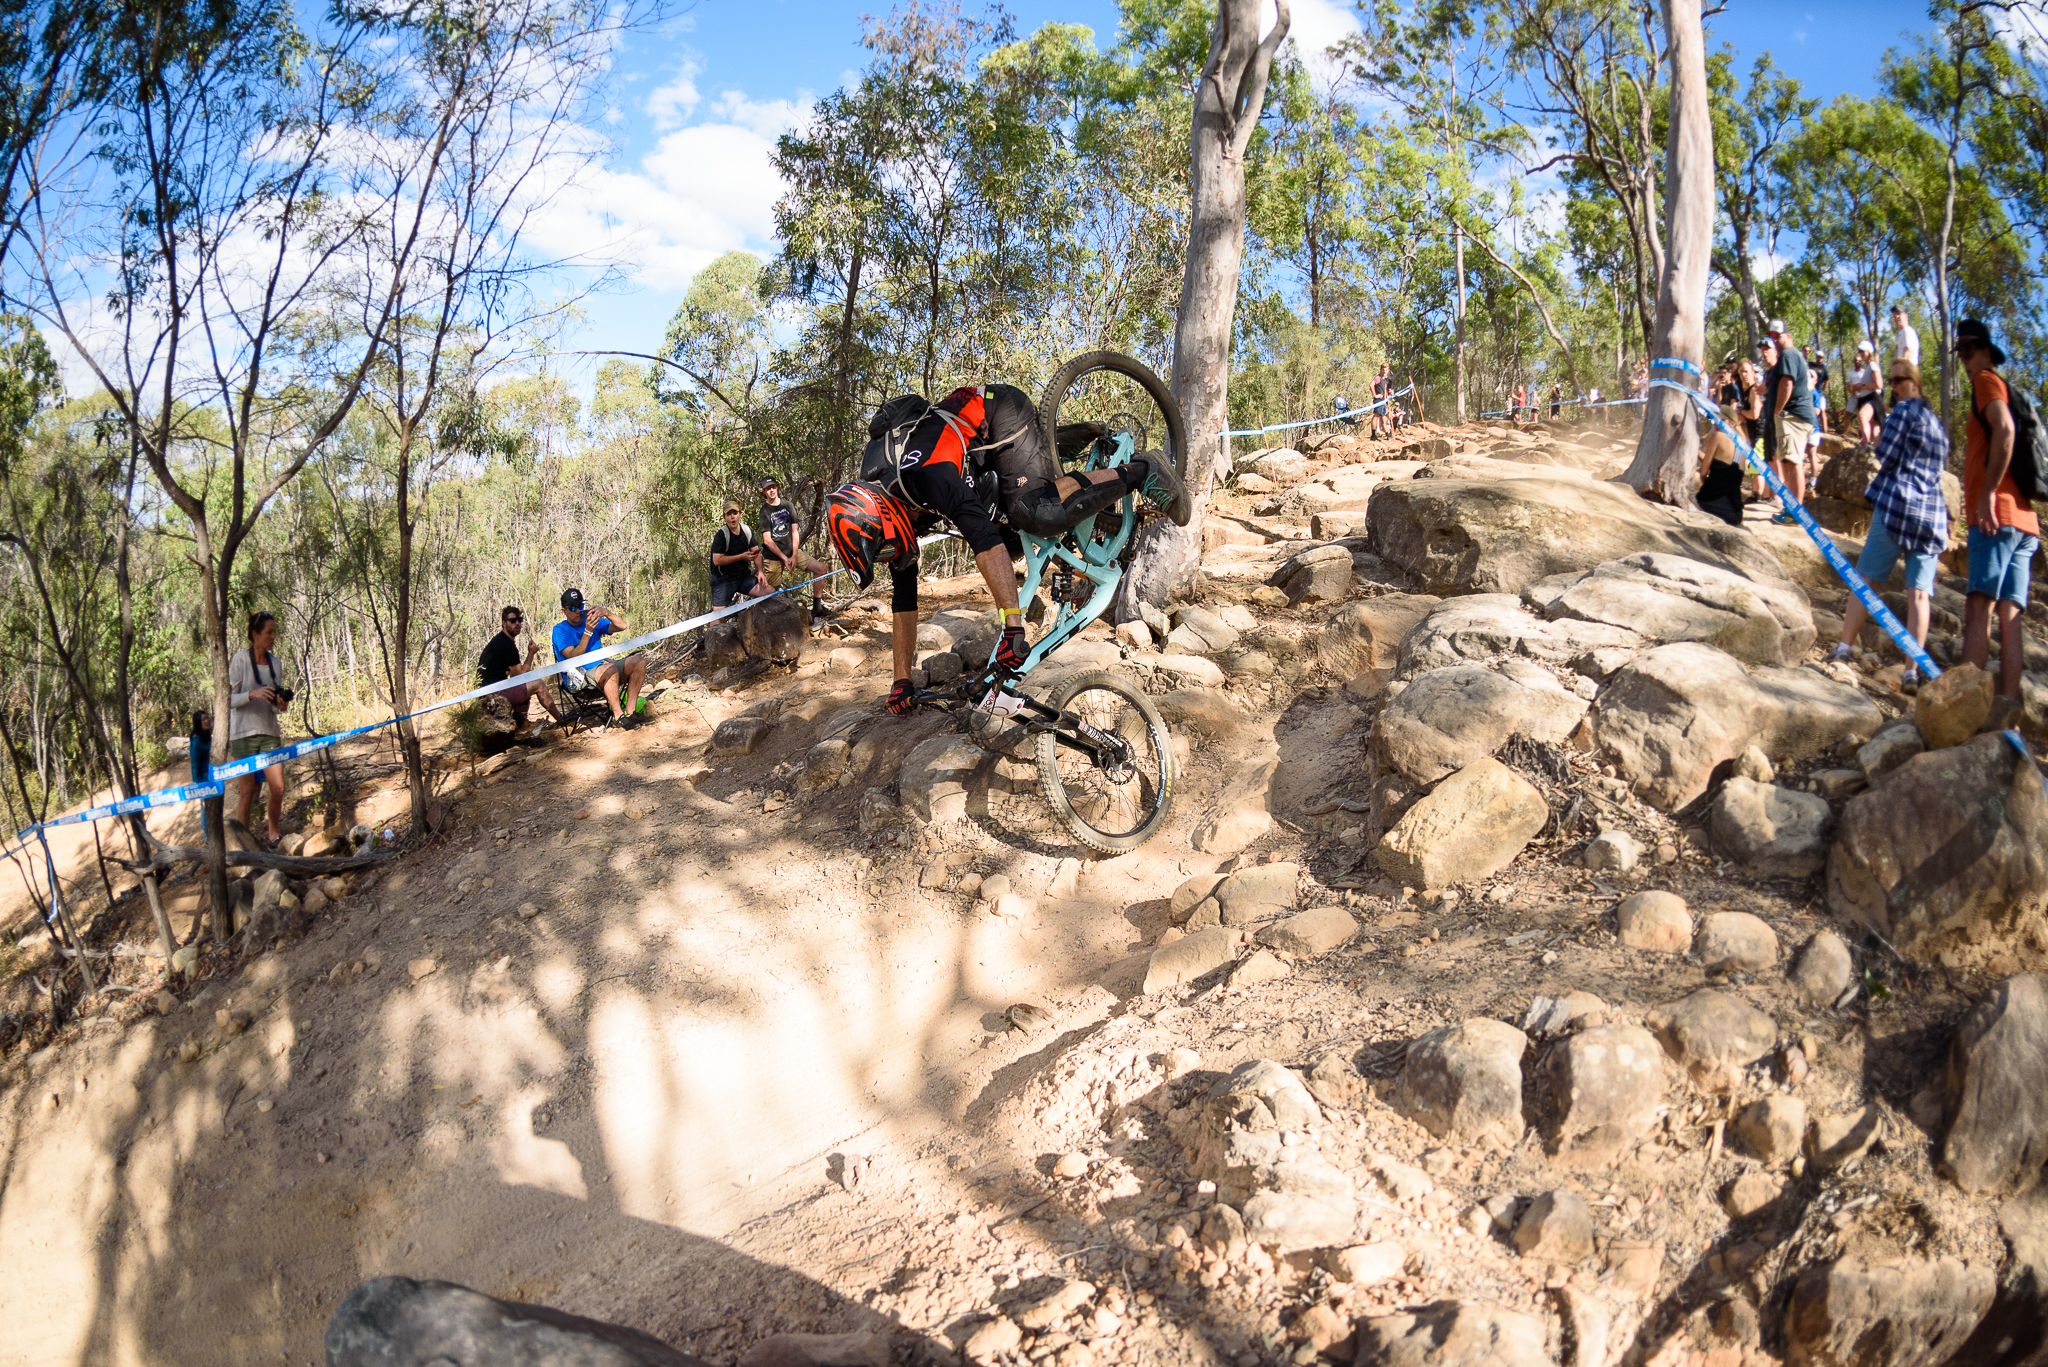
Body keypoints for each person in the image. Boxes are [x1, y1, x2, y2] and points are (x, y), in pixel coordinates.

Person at [825, 382, 1189, 715]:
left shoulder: (927, 475)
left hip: (998, 411)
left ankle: (1143, 470)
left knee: (1035, 511)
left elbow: (983, 539)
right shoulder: (888, 503)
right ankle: (1052, 450)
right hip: (973, 457)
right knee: (1013, 543)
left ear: (879, 517)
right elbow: (904, 598)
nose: (893, 555)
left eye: (886, 549)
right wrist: (900, 680)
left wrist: (1012, 625)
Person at [1828, 359, 1949, 689]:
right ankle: (1911, 671)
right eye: (1892, 381)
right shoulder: (1936, 423)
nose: (1894, 387)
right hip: (1931, 516)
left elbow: (1886, 454)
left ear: (1915, 382)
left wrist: (1880, 439)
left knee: (1865, 580)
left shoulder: (1904, 412)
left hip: (1898, 506)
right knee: (1919, 596)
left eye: (1900, 380)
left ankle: (1843, 649)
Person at [1956, 319, 2037, 711]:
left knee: (1978, 607)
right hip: (2024, 522)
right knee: (2010, 616)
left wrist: (1987, 493)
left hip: (1997, 516)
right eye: (1961, 354)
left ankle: (1962, 709)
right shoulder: (1999, 386)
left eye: (1969, 352)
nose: (1965, 361)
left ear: (1987, 352)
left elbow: (2004, 430)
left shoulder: (1987, 381)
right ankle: (2005, 709)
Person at [228, 610, 290, 845]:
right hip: (243, 735)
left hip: (269, 733)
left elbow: (275, 705)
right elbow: (228, 700)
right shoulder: (239, 660)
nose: (273, 637)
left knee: (278, 787)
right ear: (255, 635)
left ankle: (273, 835)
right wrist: (252, 694)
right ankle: (243, 844)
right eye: (269, 632)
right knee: (247, 794)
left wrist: (280, 705)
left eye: (275, 632)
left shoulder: (276, 662)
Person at [552, 587, 647, 728]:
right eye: (572, 608)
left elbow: (622, 626)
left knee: (638, 662)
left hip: (604, 670)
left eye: (580, 606)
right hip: (579, 677)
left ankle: (630, 712)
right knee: (609, 669)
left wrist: (606, 613)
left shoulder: (592, 621)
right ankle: (618, 717)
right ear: (564, 611)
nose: (577, 610)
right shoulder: (560, 630)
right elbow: (572, 655)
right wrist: (588, 632)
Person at [477, 605, 562, 734]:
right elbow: (520, 676)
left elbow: (513, 676)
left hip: (490, 693)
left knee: (525, 691)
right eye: (512, 621)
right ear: (504, 623)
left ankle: (520, 726)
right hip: (492, 695)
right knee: (538, 684)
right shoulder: (505, 644)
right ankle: (561, 719)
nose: (517, 623)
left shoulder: (501, 641)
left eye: (519, 620)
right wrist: (531, 654)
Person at [757, 476, 834, 619]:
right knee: (769, 592)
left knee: (821, 569)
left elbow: (794, 531)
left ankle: (817, 608)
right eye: (768, 488)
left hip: (792, 552)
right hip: (773, 557)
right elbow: (767, 540)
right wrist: (784, 558)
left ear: (777, 487)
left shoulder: (788, 505)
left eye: (773, 487)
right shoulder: (764, 511)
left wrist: (793, 555)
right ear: (764, 492)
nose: (771, 490)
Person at [1763, 320, 1816, 523]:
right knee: (1787, 462)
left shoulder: (1788, 354)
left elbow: (1787, 383)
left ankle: (1795, 512)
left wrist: (1777, 410)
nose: (1775, 339)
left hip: (1793, 416)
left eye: (1778, 335)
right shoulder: (1791, 356)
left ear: (1788, 336)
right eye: (1772, 336)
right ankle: (1792, 509)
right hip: (1793, 416)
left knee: (1793, 463)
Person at [709, 503, 773, 608]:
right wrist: (741, 557)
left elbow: (756, 553)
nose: (732, 516)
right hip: (723, 580)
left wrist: (761, 572)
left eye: (735, 513)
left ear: (740, 515)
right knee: (719, 616)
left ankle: (757, 620)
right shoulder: (721, 535)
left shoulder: (747, 530)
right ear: (724, 517)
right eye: (729, 514)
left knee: (770, 592)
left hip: (743, 578)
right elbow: (717, 560)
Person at [1847, 341, 1882, 444]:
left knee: (1862, 416)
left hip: (1873, 398)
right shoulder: (1868, 367)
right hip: (1867, 398)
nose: (1861, 353)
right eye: (1860, 351)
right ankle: (1874, 448)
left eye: (1863, 351)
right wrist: (1859, 387)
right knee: (1874, 424)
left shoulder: (1872, 365)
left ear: (1869, 351)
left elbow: (1879, 384)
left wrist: (1862, 386)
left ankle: (1866, 443)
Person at [189, 709, 214, 839]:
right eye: (203, 719)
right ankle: (207, 836)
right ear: (198, 723)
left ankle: (214, 832)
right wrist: (197, 783)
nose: (206, 721)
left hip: (212, 776)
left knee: (213, 805)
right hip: (203, 779)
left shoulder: (207, 736)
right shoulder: (197, 741)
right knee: (205, 808)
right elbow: (195, 763)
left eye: (207, 718)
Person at [1891, 304, 1921, 368]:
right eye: (1895, 315)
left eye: (1899, 314)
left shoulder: (1907, 331)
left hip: (1908, 371)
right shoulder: (1901, 333)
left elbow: (1907, 354)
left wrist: (1901, 374)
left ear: (1906, 316)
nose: (1897, 317)